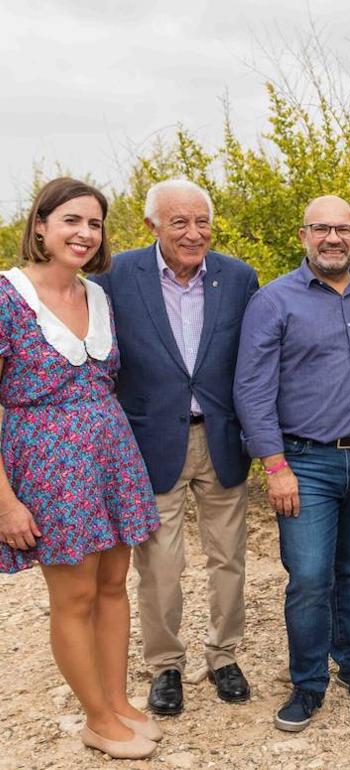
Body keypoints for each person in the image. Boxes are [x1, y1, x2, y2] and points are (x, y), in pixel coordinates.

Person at [0, 178, 161, 759]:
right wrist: (5, 501)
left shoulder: (98, 296)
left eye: (93, 224)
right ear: (39, 225)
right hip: (47, 464)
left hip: (109, 456)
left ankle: (116, 701)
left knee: (114, 586)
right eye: (71, 220)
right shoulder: (6, 296)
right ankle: (96, 718)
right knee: (73, 598)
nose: (84, 234)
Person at [93, 179, 259, 717]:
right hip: (150, 441)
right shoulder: (115, 278)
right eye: (179, 222)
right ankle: (165, 664)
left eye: (202, 221)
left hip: (221, 437)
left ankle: (224, 654)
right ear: (152, 226)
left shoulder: (238, 277)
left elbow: (251, 361)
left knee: (228, 557)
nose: (193, 233)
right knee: (161, 565)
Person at [234, 196, 350, 733]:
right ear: (303, 234)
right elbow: (251, 388)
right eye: (321, 228)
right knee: (307, 578)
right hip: (303, 462)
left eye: (343, 229)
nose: (333, 238)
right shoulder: (274, 300)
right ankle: (307, 682)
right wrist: (274, 465)